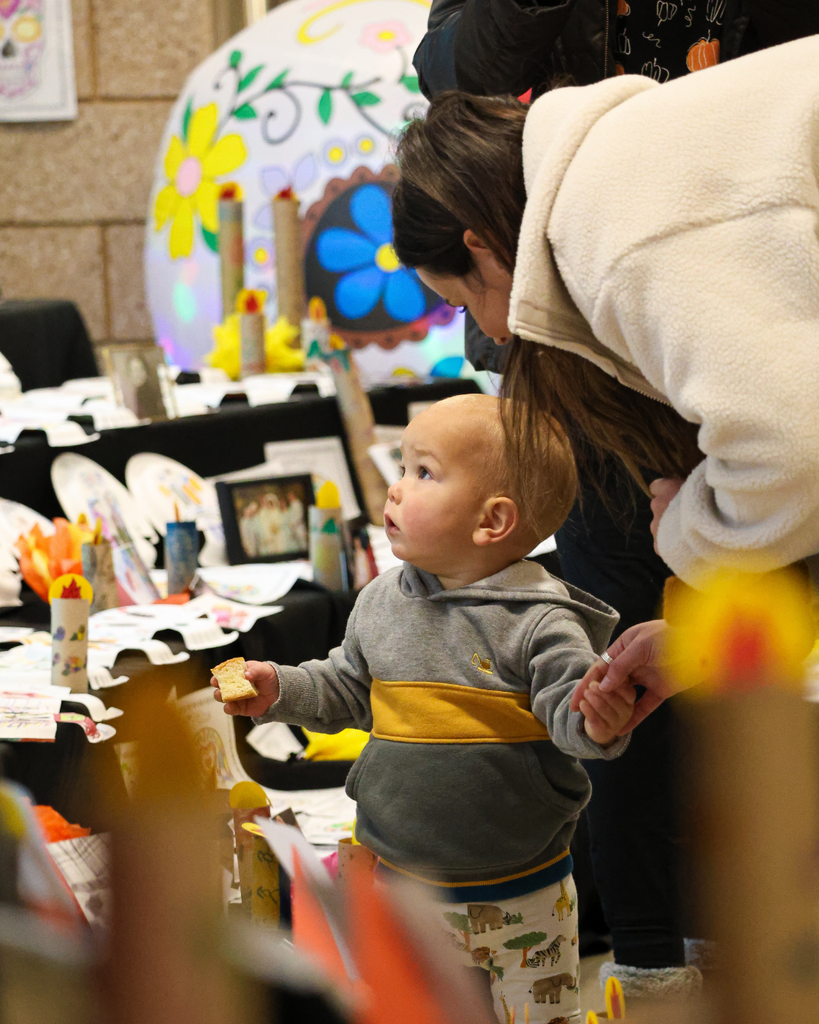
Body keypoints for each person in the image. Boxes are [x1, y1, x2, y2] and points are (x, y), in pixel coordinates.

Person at [392, 33, 819, 990]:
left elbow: (790, 447)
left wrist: (688, 532)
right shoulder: (622, 169)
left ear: (476, 245)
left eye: (464, 299)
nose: (490, 331)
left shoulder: (617, 232)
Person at [213, 394, 638, 1024]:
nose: (394, 489)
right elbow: (349, 687)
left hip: (524, 893)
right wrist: (280, 688)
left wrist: (597, 720)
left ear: (492, 521)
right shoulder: (382, 601)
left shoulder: (541, 625)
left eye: (423, 473)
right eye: (402, 466)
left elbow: (572, 716)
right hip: (401, 883)